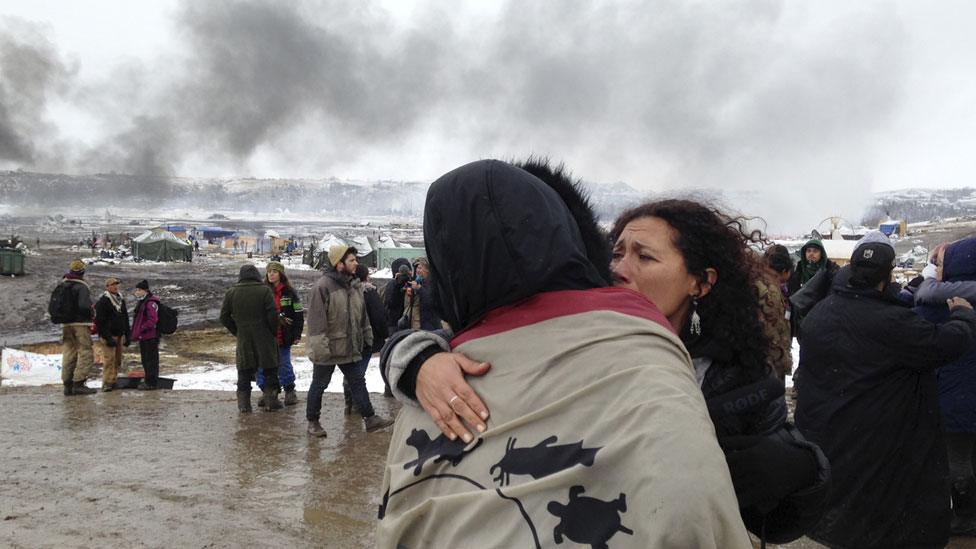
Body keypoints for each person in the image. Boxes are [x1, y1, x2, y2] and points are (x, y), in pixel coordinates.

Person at [383, 191, 828, 544]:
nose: (620, 269)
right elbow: (488, 343)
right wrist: (420, 360)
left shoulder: (734, 379)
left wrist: (800, 474)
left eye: (644, 257)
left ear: (701, 281)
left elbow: (778, 520)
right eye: (616, 253)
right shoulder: (582, 333)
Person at [795, 234, 976, 548]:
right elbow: (947, 343)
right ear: (886, 277)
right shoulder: (892, 322)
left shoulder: (820, 315)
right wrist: (962, 314)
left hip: (832, 434)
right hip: (876, 439)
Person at [914, 237, 976, 535]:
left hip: (955, 396)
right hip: (964, 394)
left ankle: (965, 516)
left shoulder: (938, 303)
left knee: (957, 460)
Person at [306, 245, 392, 437]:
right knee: (319, 384)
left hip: (349, 346)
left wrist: (367, 335)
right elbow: (316, 322)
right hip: (328, 348)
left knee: (357, 382)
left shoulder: (354, 287)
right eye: (352, 260)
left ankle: (370, 418)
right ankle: (313, 422)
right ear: (339, 264)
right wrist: (320, 349)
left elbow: (361, 317)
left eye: (355, 260)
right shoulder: (322, 287)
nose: (356, 264)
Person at [220, 265, 281, 412]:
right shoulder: (265, 291)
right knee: (270, 370)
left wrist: (238, 331)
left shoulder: (232, 292)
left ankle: (244, 405)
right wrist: (272, 331)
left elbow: (224, 317)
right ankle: (271, 401)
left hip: (244, 339)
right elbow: (273, 315)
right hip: (265, 338)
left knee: (244, 371)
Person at [344, 264, 391, 413]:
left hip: (347, 337)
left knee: (351, 369)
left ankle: (349, 402)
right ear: (365, 276)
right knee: (359, 372)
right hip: (366, 338)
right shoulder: (369, 292)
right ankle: (357, 403)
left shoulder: (344, 291)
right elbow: (378, 316)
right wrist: (384, 334)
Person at [256, 261, 304, 407]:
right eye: (269, 271)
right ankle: (267, 392)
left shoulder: (290, 292)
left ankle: (290, 390)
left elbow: (298, 313)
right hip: (266, 336)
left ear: (281, 274)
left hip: (284, 335)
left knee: (284, 364)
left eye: (274, 271)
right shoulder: (262, 291)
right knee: (262, 365)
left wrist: (297, 333)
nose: (271, 274)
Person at [55, 259, 96, 395]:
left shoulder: (64, 284)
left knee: (69, 353)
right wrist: (91, 313)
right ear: (82, 271)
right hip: (81, 324)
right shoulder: (82, 286)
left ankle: (67, 384)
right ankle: (79, 382)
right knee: (85, 352)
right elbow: (84, 306)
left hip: (66, 324)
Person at [760, 245, 794, 381]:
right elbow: (774, 331)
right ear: (785, 271)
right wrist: (783, 361)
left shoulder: (758, 282)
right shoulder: (771, 293)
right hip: (769, 365)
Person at [94, 277, 130, 392]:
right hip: (108, 335)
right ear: (107, 287)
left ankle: (114, 380)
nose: (115, 286)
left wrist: (128, 334)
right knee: (109, 359)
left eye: (116, 284)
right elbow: (100, 321)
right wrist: (107, 337)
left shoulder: (121, 300)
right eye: (112, 284)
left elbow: (125, 318)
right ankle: (107, 383)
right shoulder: (103, 301)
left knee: (117, 360)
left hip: (119, 334)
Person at [130, 280, 162, 391]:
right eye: (137, 290)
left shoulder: (150, 303)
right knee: (146, 360)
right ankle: (149, 380)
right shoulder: (143, 302)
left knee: (151, 360)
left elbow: (152, 320)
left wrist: (142, 328)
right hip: (144, 337)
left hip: (150, 336)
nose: (137, 292)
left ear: (145, 291)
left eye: (139, 290)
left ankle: (151, 382)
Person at [383, 259, 413, 333]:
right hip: (394, 323)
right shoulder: (392, 284)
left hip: (407, 321)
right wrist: (397, 285)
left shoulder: (411, 283)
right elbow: (390, 302)